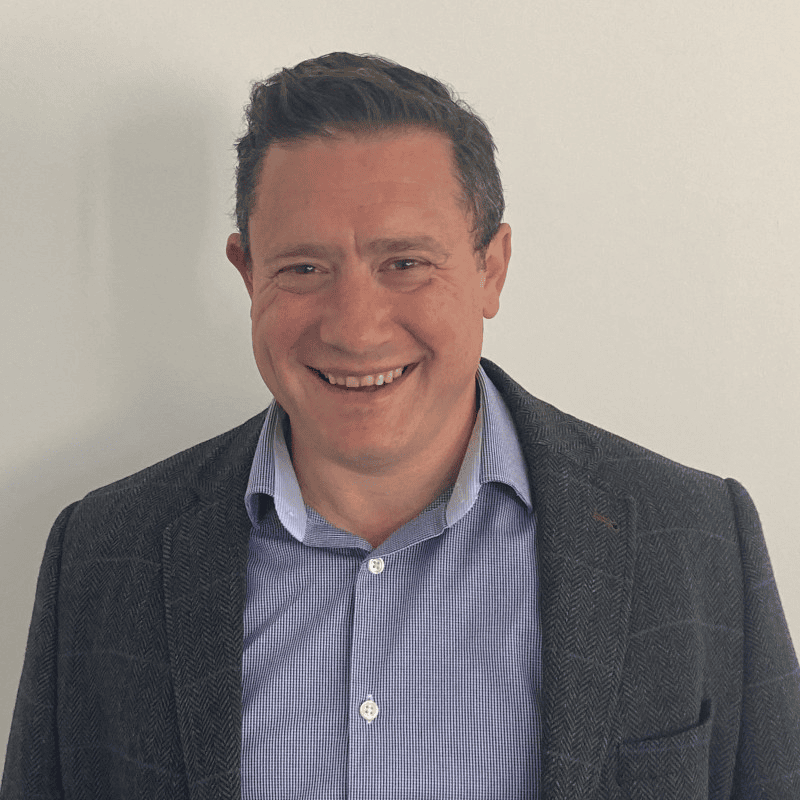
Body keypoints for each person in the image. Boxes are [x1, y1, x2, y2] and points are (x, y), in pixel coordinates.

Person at [2, 52, 798, 800]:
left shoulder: (694, 538)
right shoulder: (101, 558)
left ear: (491, 269)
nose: (356, 327)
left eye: (405, 263)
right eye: (304, 267)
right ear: (247, 273)